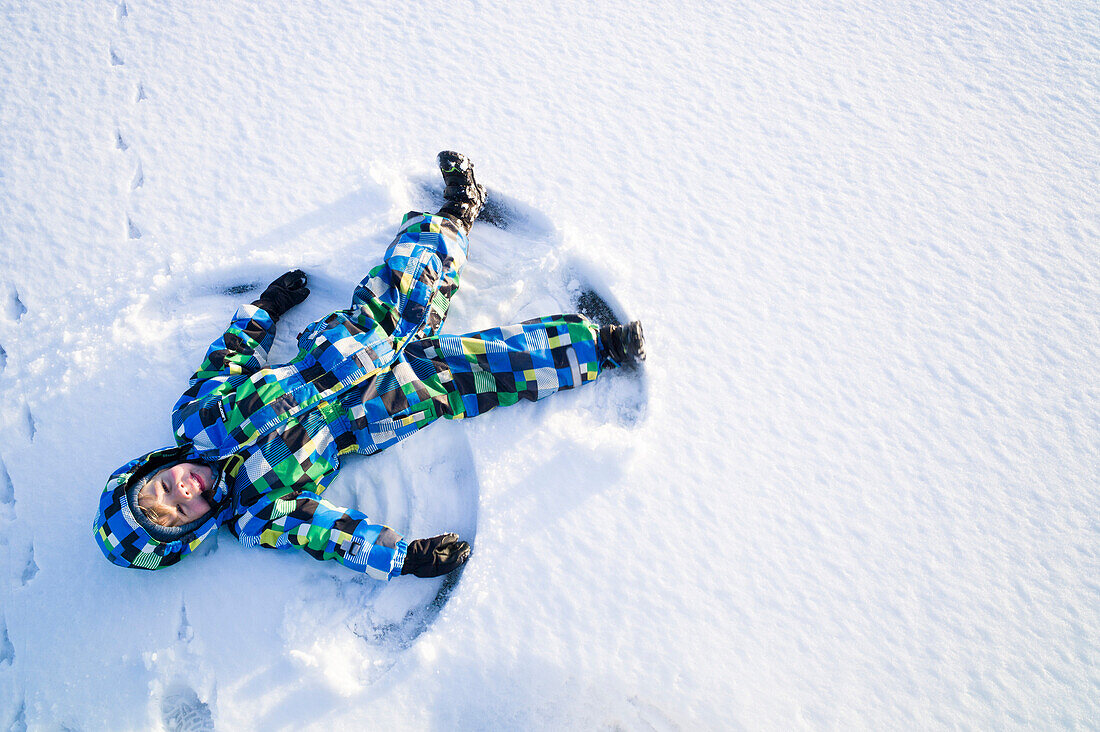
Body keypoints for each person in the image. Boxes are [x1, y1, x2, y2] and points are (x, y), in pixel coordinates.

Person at [93, 152, 645, 580]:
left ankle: (457, 211)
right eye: (179, 512)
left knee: (408, 272)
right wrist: (403, 558)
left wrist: (264, 310)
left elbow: (229, 358)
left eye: (164, 487)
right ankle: (604, 347)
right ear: (192, 531)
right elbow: (330, 536)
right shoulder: (256, 516)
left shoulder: (196, 417)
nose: (183, 491)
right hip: (384, 407)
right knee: (488, 369)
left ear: (154, 467)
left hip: (349, 342)